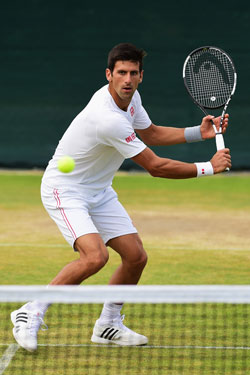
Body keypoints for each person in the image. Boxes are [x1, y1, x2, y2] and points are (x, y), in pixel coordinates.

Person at [11, 43, 231, 351]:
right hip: (66, 190)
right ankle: (31, 310)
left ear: (141, 76)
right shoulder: (107, 117)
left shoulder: (132, 99)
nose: (127, 80)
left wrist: (198, 132)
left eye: (133, 73)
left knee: (136, 256)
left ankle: (108, 325)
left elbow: (150, 133)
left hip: (99, 190)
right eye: (121, 73)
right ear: (109, 75)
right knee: (95, 256)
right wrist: (208, 167)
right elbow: (155, 166)